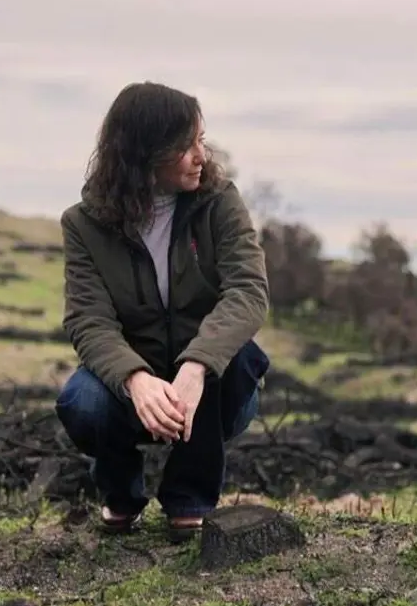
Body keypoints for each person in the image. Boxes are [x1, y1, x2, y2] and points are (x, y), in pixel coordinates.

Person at [55, 81, 270, 541]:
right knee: (82, 402)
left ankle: (189, 498)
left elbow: (248, 291)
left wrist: (195, 367)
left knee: (237, 359)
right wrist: (135, 379)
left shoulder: (219, 202)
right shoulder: (84, 223)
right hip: (132, 377)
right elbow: (88, 319)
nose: (201, 156)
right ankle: (121, 492)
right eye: (186, 145)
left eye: (201, 140)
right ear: (146, 153)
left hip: (213, 386)